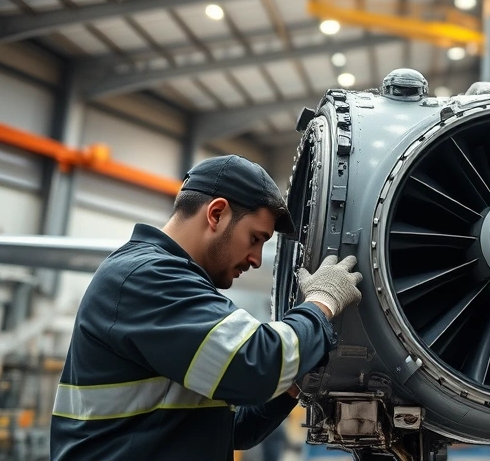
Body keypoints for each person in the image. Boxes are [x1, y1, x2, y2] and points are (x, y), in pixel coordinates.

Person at [51, 155, 363, 461]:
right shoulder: (147, 277)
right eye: (255, 238)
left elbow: (233, 429)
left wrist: (297, 378)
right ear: (216, 214)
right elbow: (257, 366)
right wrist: (322, 302)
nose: (255, 259)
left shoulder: (176, 285)